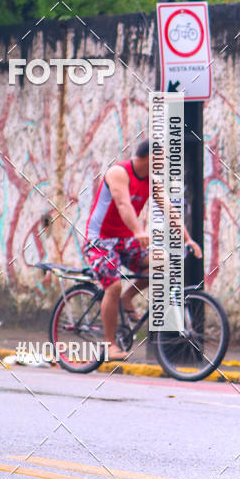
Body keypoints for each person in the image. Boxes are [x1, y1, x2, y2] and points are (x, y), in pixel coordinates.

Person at [83, 139, 202, 362]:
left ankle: (129, 297)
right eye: (163, 158)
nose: (166, 162)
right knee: (113, 285)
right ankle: (109, 344)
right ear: (150, 156)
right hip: (100, 240)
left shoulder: (151, 181)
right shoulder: (119, 172)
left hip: (125, 239)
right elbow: (123, 204)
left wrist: (188, 239)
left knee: (163, 261)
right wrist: (138, 231)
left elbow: (169, 210)